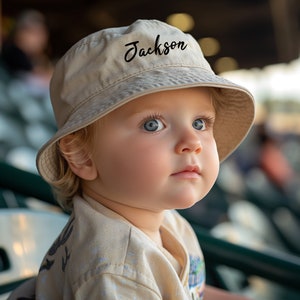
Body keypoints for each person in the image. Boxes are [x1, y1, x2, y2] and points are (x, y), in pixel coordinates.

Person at [32, 19, 255, 299]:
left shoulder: (160, 220)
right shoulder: (115, 271)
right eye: (152, 125)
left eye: (200, 123)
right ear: (82, 156)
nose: (192, 142)